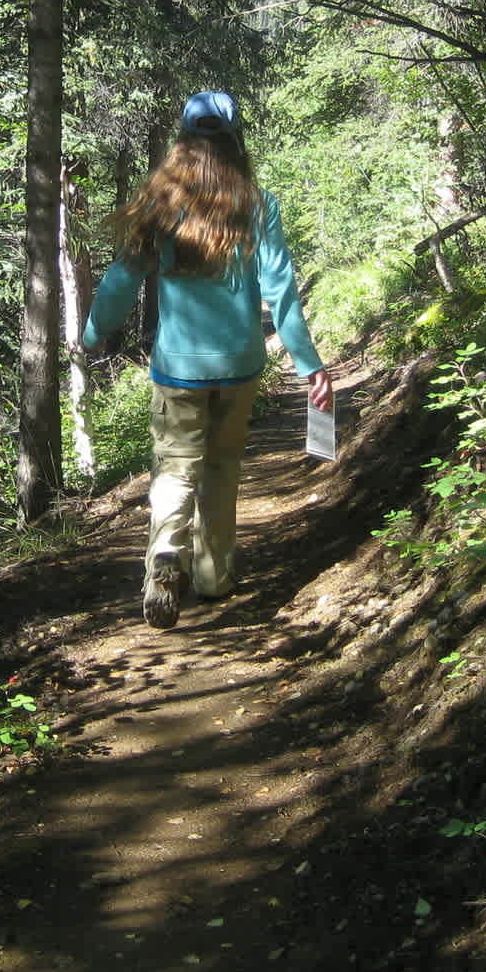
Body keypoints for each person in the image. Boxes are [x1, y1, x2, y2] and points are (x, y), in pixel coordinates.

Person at [80, 91, 333, 629]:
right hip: (240, 364)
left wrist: (95, 332)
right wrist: (309, 364)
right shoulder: (259, 205)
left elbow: (123, 278)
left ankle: (165, 557)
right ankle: (215, 576)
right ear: (236, 141)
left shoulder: (159, 203)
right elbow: (281, 291)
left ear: (183, 141)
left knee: (175, 466)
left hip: (178, 367)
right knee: (220, 470)